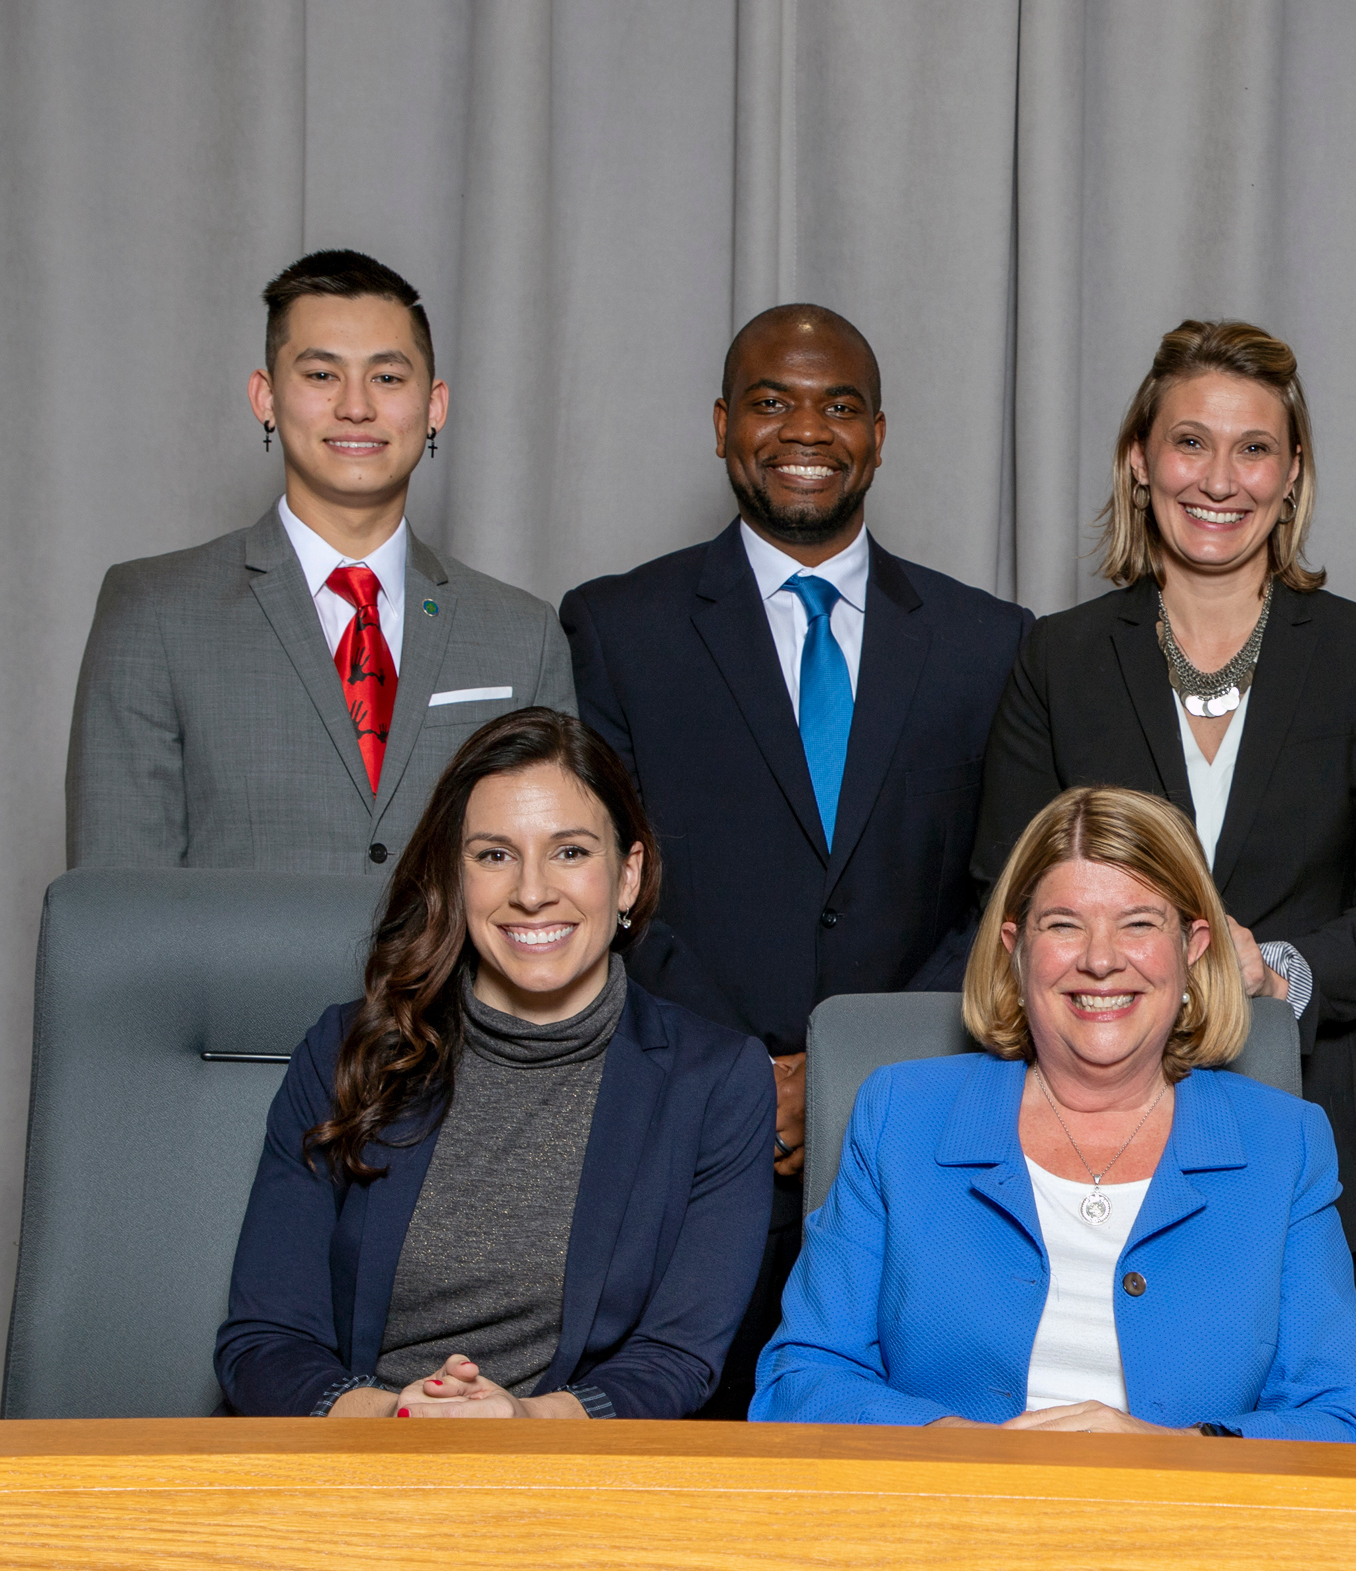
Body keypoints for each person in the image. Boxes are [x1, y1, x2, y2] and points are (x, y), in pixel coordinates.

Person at [563, 304, 1034, 1410]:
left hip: (916, 1129)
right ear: (724, 426)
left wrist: (855, 1065)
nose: (804, 428)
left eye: (839, 404)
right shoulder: (617, 627)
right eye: (772, 401)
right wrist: (746, 1077)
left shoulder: (990, 641)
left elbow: (1004, 895)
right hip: (687, 1139)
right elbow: (602, 886)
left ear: (879, 434)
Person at [973, 320, 1356, 1309]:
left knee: (1284, 1452)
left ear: (1292, 471)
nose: (1219, 479)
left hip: (1310, 1118)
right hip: (1083, 1135)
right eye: (1191, 441)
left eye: (1253, 447)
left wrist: (1278, 971)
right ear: (1140, 460)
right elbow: (1002, 890)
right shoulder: (1056, 659)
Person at [751, 786, 1356, 1441]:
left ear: (1193, 947)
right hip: (947, 1521)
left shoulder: (1286, 1144)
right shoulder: (899, 1116)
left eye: (1139, 923)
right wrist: (975, 1452)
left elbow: (1335, 1418)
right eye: (1063, 924)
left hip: (1188, 1529)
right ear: (1017, 948)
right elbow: (801, 1378)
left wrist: (1170, 1456)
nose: (1101, 959)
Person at [215, 708, 775, 1420]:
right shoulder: (343, 1050)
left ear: (628, 876)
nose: (532, 891)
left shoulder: (717, 1082)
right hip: (350, 1460)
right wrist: (392, 1418)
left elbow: (678, 1358)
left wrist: (525, 1423)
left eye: (571, 852)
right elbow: (265, 1340)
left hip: (569, 1481)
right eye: (494, 855)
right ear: (455, 878)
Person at [69, 250, 577, 872]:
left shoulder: (521, 634)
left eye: (387, 377)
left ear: (435, 405)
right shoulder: (154, 612)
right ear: (266, 396)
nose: (356, 406)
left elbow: (555, 877)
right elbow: (120, 903)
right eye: (320, 375)